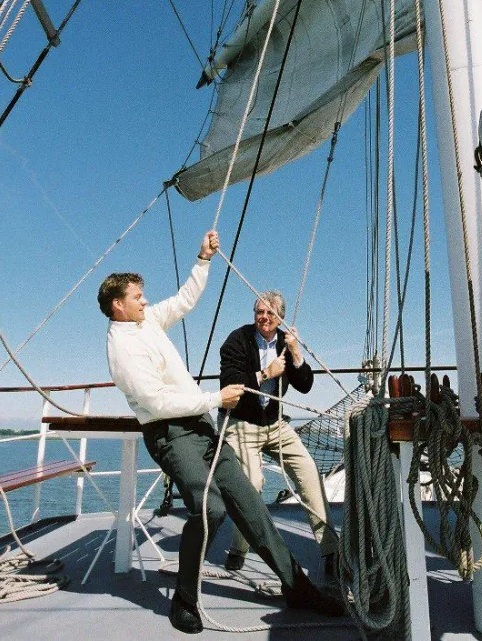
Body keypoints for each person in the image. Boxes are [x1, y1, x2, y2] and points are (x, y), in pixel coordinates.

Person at [98, 231, 343, 635]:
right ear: (117, 305)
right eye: (138, 297)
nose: (145, 301)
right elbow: (157, 403)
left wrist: (203, 260)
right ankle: (185, 598)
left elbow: (184, 300)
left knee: (250, 503)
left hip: (200, 427)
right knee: (209, 508)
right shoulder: (122, 349)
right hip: (170, 434)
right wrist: (214, 399)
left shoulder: (147, 323)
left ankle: (297, 587)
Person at [219, 291, 339, 575]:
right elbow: (230, 382)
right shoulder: (237, 340)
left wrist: (296, 352)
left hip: (275, 424)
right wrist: (265, 374)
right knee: (251, 485)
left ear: (280, 317)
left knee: (309, 473)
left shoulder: (285, 343)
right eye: (260, 312)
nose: (264, 317)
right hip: (242, 424)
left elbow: (305, 385)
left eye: (270, 313)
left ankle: (332, 551)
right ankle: (240, 547)